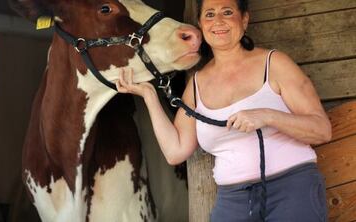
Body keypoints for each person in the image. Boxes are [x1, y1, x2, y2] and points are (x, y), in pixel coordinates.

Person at [116, 0, 332, 221]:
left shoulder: (274, 63)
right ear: (200, 24)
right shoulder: (197, 84)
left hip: (291, 187)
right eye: (209, 14)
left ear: (244, 19)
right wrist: (150, 96)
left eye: (227, 12)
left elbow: (322, 130)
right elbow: (175, 151)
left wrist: (267, 116)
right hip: (233, 200)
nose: (218, 21)